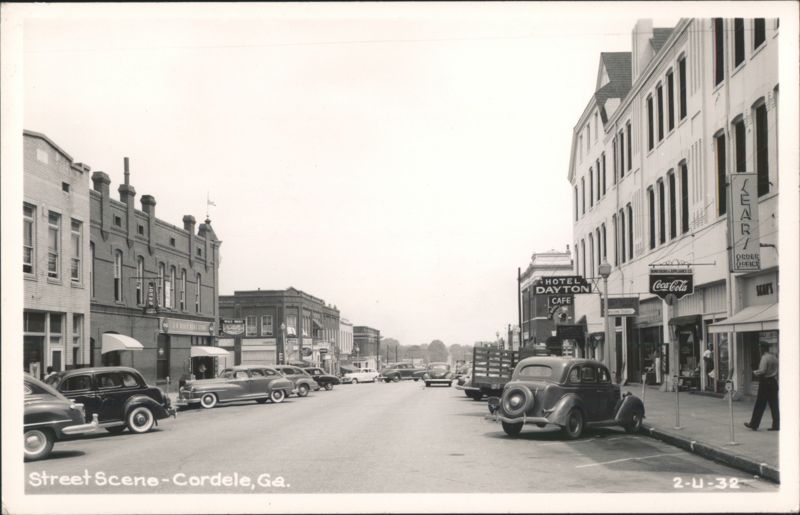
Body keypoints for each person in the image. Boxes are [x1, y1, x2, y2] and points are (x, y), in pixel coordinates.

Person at [744, 343, 779, 431]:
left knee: (760, 404)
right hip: (773, 382)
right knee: (774, 404)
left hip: (765, 382)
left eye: (760, 348)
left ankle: (754, 424)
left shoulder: (764, 357)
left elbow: (762, 370)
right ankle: (776, 425)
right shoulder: (774, 357)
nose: (760, 350)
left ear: (763, 349)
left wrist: (755, 372)